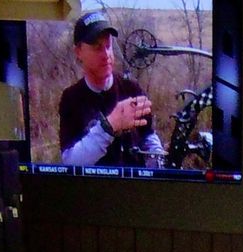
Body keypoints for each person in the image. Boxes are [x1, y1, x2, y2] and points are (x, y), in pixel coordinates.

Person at [59, 11, 166, 169]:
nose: (106, 54)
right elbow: (70, 162)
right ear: (79, 52)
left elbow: (148, 136)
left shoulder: (131, 89)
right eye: (97, 48)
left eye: (108, 46)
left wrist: (158, 160)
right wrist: (108, 127)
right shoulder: (71, 99)